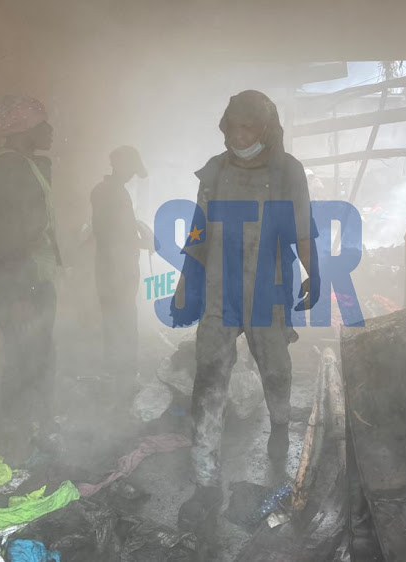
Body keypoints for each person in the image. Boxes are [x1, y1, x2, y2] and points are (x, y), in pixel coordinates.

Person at [172, 90, 320, 533]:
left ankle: (279, 425)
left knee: (275, 369)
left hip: (268, 292)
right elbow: (198, 232)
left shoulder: (288, 171)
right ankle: (204, 483)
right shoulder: (214, 172)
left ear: (267, 130)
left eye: (249, 128)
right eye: (233, 128)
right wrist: (185, 284)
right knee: (209, 382)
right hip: (219, 294)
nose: (240, 137)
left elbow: (303, 228)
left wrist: (316, 275)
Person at [0, 95, 61, 451]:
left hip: (30, 278)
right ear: (25, 128)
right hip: (20, 282)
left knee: (33, 353)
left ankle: (28, 430)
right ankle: (15, 435)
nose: (51, 129)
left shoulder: (24, 163)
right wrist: (19, 293)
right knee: (25, 354)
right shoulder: (9, 168)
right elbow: (7, 237)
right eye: (43, 122)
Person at [90, 146, 149, 394]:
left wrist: (138, 227)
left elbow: (118, 225)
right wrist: (141, 242)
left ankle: (118, 373)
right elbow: (108, 232)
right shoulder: (109, 192)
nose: (132, 175)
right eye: (131, 170)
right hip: (116, 269)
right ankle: (122, 376)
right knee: (122, 320)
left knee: (118, 319)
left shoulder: (112, 191)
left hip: (116, 267)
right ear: (119, 165)